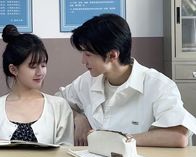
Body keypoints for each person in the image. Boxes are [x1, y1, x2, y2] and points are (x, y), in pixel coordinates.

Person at [56, 13, 196, 147]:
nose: (83, 61)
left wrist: (121, 139)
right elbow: (56, 102)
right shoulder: (87, 81)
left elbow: (178, 136)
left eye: (88, 54)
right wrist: (78, 118)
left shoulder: (158, 85)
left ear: (112, 55)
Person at [0, 25, 74, 145]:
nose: (40, 72)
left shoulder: (59, 107)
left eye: (43, 65)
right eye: (32, 66)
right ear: (13, 69)